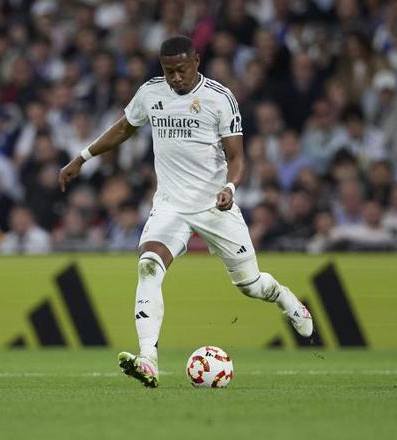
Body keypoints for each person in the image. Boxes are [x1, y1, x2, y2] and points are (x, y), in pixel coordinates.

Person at [58, 36, 313, 388]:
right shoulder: (151, 93)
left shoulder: (220, 98)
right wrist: (82, 157)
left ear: (196, 61)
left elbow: (237, 157)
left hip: (214, 205)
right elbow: (124, 127)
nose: (175, 77)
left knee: (250, 285)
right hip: (170, 206)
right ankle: (148, 359)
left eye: (181, 69)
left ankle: (285, 298)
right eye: (168, 71)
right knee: (148, 266)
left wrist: (230, 188)